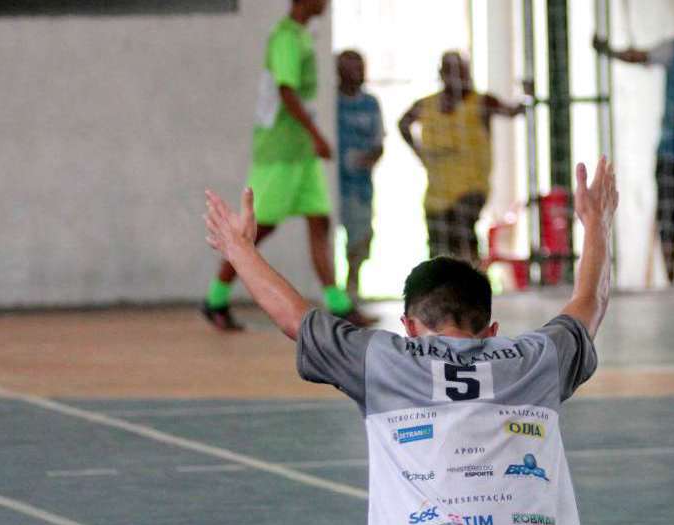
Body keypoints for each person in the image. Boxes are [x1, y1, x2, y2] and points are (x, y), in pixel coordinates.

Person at [202, 157, 674, 525]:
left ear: (409, 325)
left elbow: (293, 318)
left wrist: (238, 247)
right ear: (492, 329)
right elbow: (589, 301)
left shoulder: (382, 360)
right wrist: (598, 226)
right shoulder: (537, 359)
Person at [201, 0, 371, 331]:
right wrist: (317, 135)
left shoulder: (303, 35)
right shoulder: (286, 39)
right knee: (257, 229)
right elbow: (286, 91)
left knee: (319, 221)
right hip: (279, 152)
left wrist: (310, 140)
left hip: (301, 154)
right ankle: (215, 298)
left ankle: (338, 304)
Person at [593, 0, 674, 285]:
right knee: (669, 220)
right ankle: (671, 279)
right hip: (672, 149)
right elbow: (638, 56)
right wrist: (609, 51)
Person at [398, 52, 525, 263]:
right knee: (439, 244)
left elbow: (512, 111)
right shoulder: (426, 105)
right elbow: (403, 123)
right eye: (450, 70)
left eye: (460, 70)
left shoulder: (482, 102)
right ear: (441, 73)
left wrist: (527, 96)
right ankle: (441, 288)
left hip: (472, 186)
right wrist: (419, 152)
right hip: (438, 190)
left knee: (462, 231)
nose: (456, 76)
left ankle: (472, 280)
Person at [335, 50, 384, 302]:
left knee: (361, 238)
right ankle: (332, 293)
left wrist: (367, 160)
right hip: (334, 186)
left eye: (361, 67)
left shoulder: (370, 104)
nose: (359, 73)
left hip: (360, 187)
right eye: (352, 68)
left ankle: (352, 286)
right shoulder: (330, 103)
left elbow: (379, 145)